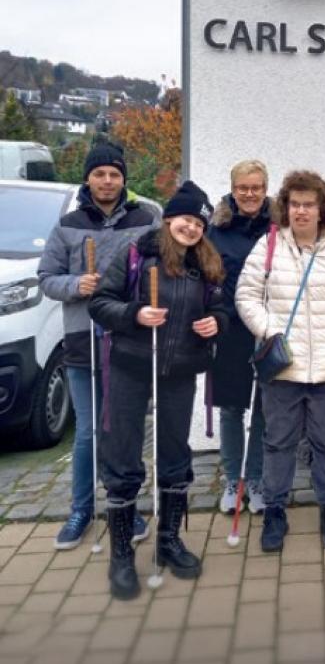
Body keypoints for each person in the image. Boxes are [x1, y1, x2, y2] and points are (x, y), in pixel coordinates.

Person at [89, 181, 228, 600]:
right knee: (123, 455)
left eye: (198, 222)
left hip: (180, 370)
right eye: (185, 218)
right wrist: (135, 314)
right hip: (131, 366)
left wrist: (215, 322)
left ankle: (169, 541)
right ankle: (121, 554)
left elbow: (220, 305)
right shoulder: (138, 252)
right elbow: (100, 302)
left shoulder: (207, 263)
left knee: (173, 455)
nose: (190, 227)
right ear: (169, 218)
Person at [236, 170, 325, 554]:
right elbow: (246, 296)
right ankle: (275, 510)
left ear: (322, 207)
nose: (301, 211)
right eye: (295, 204)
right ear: (285, 207)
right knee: (278, 443)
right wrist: (270, 332)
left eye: (309, 204)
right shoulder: (269, 246)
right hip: (283, 368)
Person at [38, 141, 158, 551]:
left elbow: (160, 265)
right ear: (88, 179)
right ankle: (81, 509)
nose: (108, 181)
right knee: (89, 430)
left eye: (115, 174)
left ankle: (126, 506)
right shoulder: (68, 224)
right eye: (100, 174)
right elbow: (46, 278)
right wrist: (76, 285)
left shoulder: (146, 219)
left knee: (123, 431)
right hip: (82, 340)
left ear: (124, 179)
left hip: (128, 341)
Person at [207, 159, 272, 515]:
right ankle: (234, 478)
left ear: (265, 189)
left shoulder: (279, 227)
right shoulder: (216, 229)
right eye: (243, 188)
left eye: (256, 187)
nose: (250, 194)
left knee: (263, 408)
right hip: (230, 330)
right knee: (232, 408)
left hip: (267, 331)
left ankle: (258, 479)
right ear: (233, 190)